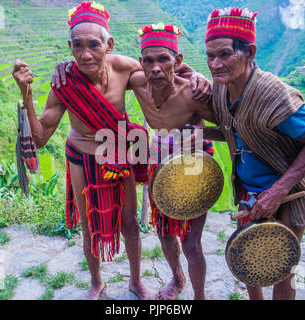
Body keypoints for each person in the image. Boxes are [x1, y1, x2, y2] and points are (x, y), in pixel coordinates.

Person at [54, 23, 218, 300]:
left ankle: (199, 297)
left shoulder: (191, 92)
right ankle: (178, 280)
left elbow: (230, 124)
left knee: (190, 242)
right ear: (140, 64)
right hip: (160, 162)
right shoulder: (140, 84)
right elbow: (92, 69)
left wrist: (201, 128)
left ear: (177, 61)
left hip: (193, 164)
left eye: (164, 59)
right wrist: (65, 65)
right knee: (165, 233)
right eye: (149, 61)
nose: (155, 68)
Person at [12, 1, 156, 300]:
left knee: (130, 223)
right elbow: (40, 138)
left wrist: (189, 74)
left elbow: (160, 73)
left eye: (94, 45)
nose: (85, 54)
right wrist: (26, 95)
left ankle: (136, 282)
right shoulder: (64, 82)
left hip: (118, 155)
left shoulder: (126, 67)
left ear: (109, 44)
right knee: (88, 223)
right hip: (82, 159)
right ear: (70, 46)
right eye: (77, 46)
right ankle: (96, 282)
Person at [195, 7, 305, 300]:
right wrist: (202, 132)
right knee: (247, 255)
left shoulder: (274, 95)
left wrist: (278, 192)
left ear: (249, 52)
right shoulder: (223, 88)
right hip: (251, 188)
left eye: (225, 54)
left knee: (282, 264)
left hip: (292, 189)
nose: (215, 64)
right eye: (210, 56)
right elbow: (235, 130)